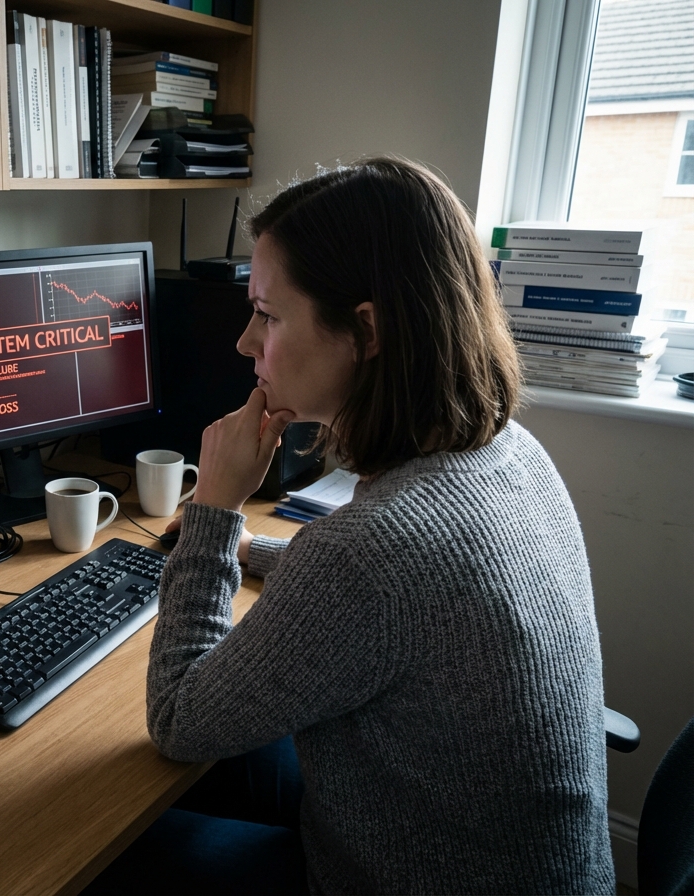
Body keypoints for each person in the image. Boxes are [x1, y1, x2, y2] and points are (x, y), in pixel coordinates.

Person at [86, 158, 615, 895]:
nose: (245, 343)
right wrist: (256, 551)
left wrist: (213, 512)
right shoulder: (509, 453)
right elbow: (417, 600)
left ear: (366, 330)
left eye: (268, 315)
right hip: (525, 864)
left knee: (92, 847)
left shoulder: (372, 555)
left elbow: (176, 719)